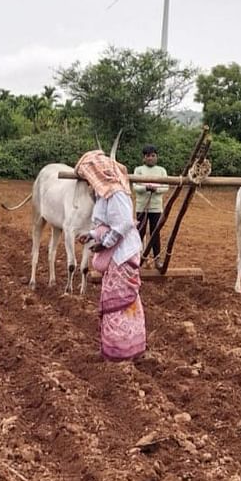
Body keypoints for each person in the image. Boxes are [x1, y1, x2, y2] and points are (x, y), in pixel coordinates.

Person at [75, 149, 146, 361]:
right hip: (116, 255)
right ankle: (117, 349)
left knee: (120, 302)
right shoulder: (105, 194)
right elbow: (105, 224)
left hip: (123, 255)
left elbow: (123, 223)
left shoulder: (116, 192)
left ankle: (123, 351)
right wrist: (90, 235)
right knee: (116, 302)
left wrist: (104, 243)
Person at [133, 144, 169, 260]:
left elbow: (166, 187)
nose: (150, 158)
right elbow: (135, 187)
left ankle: (157, 258)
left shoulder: (162, 170)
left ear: (156, 157)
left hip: (156, 207)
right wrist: (146, 188)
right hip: (142, 207)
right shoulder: (138, 170)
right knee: (140, 232)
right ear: (144, 158)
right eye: (148, 156)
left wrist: (156, 189)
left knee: (155, 233)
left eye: (153, 155)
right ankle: (137, 257)